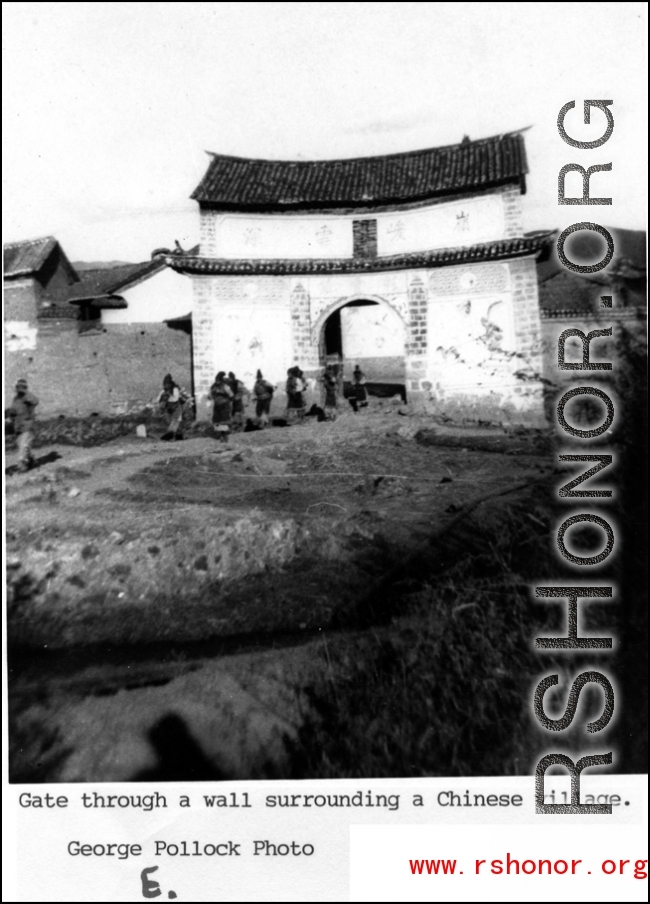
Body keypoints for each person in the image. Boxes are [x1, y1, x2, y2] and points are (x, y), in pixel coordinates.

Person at [6, 378, 39, 472]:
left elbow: (36, 401)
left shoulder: (27, 397)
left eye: (22, 387)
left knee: (23, 447)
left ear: (25, 388)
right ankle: (30, 460)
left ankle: (23, 466)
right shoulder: (15, 399)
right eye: (18, 387)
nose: (19, 389)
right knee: (23, 446)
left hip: (27, 426)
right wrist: (11, 413)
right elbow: (13, 411)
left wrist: (26, 393)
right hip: (18, 427)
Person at [157, 374, 184, 441]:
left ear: (170, 383)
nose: (166, 385)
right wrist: (162, 397)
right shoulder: (164, 391)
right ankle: (178, 436)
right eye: (165, 384)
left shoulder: (175, 389)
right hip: (169, 408)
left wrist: (169, 395)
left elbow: (175, 398)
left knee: (175, 421)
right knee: (173, 422)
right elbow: (158, 399)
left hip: (176, 407)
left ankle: (170, 435)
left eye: (167, 383)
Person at [210, 371, 233, 442]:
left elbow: (231, 395)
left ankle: (224, 435)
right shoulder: (213, 386)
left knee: (224, 421)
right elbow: (211, 394)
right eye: (216, 380)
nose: (217, 382)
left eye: (218, 380)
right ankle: (220, 435)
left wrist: (226, 401)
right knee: (217, 421)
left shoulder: (225, 387)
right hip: (217, 406)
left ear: (221, 380)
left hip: (224, 406)